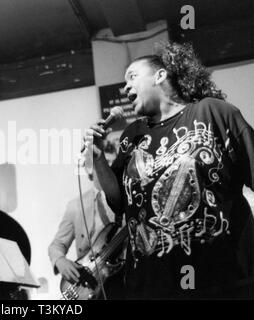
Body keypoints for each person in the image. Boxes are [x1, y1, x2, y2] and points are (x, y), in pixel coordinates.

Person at [85, 42, 254, 299]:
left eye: (132, 77)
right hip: (151, 286)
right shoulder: (133, 136)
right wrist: (97, 159)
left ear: (161, 75)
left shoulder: (212, 112)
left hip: (221, 278)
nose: (125, 87)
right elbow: (119, 200)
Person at [48, 138, 124, 299]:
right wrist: (60, 261)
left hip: (122, 281)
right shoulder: (76, 206)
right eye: (101, 162)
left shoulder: (128, 200)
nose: (107, 168)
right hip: (91, 283)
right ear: (89, 169)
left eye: (111, 163)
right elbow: (57, 245)